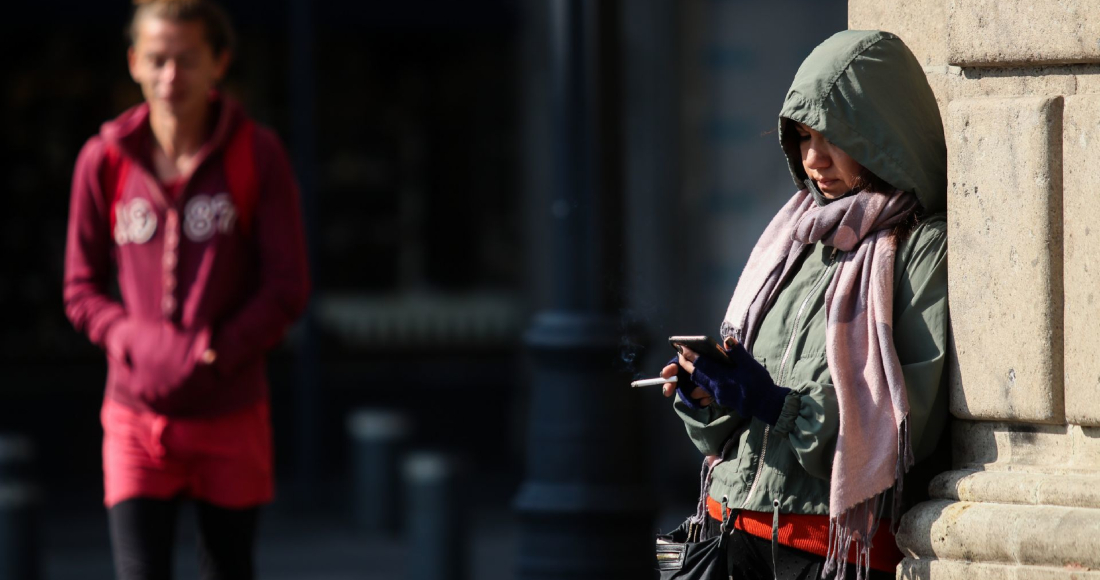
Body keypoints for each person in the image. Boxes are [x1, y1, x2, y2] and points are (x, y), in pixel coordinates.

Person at [660, 30, 949, 580]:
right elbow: (738, 423)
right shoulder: (793, 237)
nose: (812, 159)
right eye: (800, 137)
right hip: (728, 530)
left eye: (832, 136)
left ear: (880, 133)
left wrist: (776, 403)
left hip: (823, 551)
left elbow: (908, 424)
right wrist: (711, 395)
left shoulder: (918, 248)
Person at [63, 1, 309, 578]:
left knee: (228, 565)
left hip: (230, 412)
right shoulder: (103, 161)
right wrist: (134, 342)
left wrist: (218, 353)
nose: (171, 77)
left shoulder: (256, 154)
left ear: (219, 63)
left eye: (188, 60)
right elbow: (80, 288)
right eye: (157, 59)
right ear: (133, 63)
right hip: (134, 417)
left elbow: (287, 287)